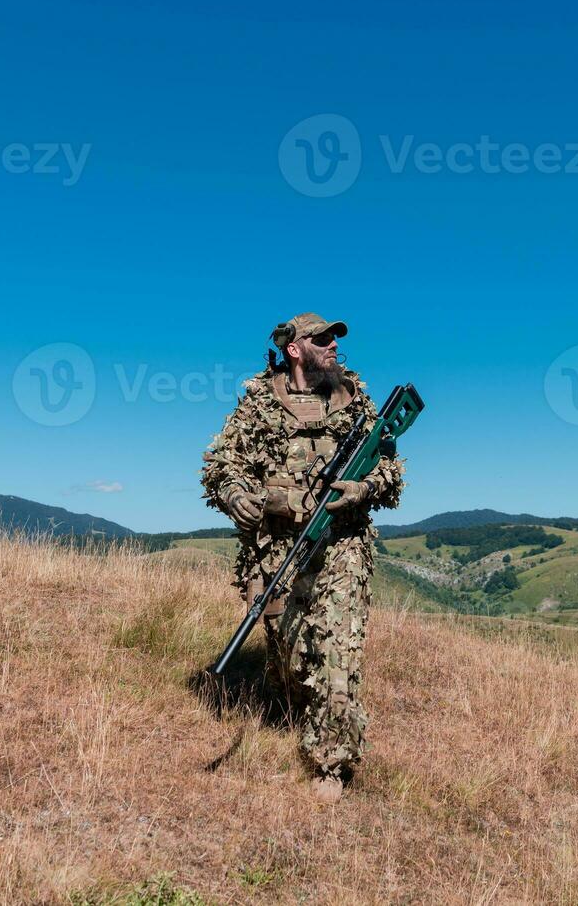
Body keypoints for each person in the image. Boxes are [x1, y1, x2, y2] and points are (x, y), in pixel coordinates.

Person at [201, 312, 405, 802]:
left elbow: (392, 470)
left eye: (336, 338)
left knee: (336, 645)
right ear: (295, 349)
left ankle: (331, 762)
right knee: (291, 658)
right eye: (322, 338)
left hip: (342, 541)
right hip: (278, 548)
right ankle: (295, 710)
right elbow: (220, 464)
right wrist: (234, 495)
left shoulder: (354, 400)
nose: (334, 345)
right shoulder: (258, 402)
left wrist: (364, 487)